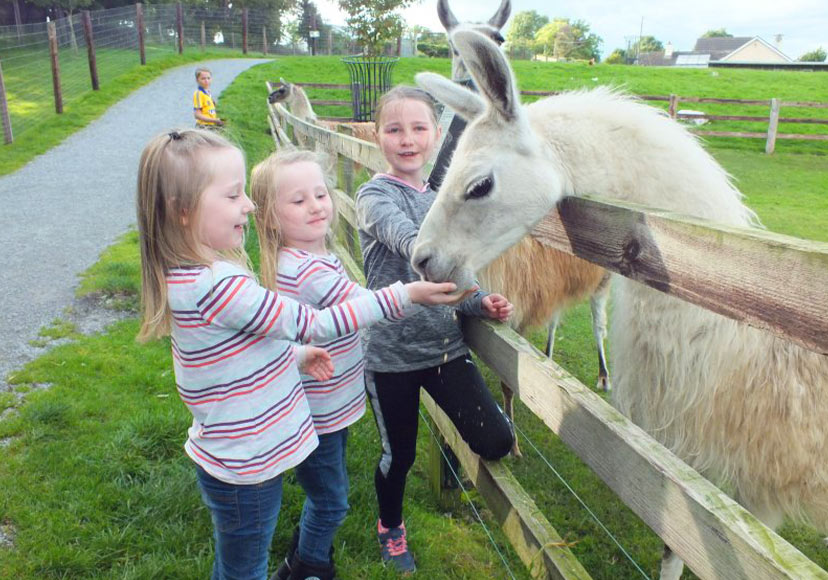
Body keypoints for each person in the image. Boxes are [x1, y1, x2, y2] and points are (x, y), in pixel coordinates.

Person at [135, 128, 459, 580]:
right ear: (184, 211)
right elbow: (316, 322)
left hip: (242, 457)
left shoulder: (194, 278)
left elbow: (227, 360)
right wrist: (405, 293)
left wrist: (293, 358)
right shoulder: (217, 285)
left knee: (242, 561)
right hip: (246, 464)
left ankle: (305, 565)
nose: (247, 205)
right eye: (233, 196)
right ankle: (307, 566)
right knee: (243, 570)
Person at [355, 86, 517, 573]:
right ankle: (391, 527)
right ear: (377, 136)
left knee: (495, 441)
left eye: (418, 128)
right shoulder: (375, 195)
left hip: (445, 349)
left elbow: (458, 263)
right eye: (394, 129)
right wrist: (434, 251)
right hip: (392, 355)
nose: (407, 139)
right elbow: (408, 241)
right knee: (398, 456)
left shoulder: (443, 198)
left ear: (436, 135)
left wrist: (480, 302)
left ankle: (453, 467)